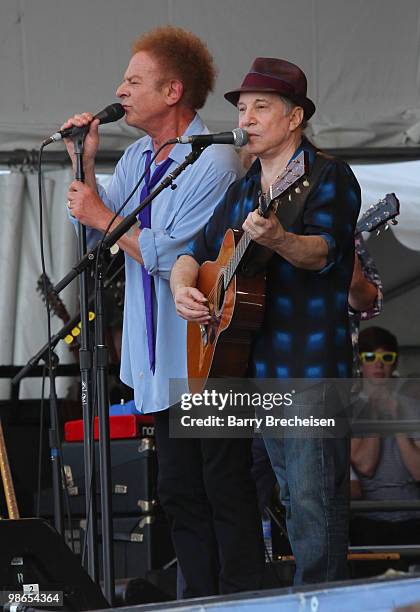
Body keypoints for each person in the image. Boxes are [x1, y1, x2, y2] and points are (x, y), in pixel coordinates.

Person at [62, 26, 264, 597]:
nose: (120, 90)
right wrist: (86, 160)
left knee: (223, 488)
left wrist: (104, 217)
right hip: (159, 362)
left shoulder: (215, 160)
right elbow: (96, 225)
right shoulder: (136, 158)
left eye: (133, 80)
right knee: (178, 491)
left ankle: (243, 601)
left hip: (205, 356)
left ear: (173, 90)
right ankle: (198, 600)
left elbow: (176, 250)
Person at [171, 57, 361, 584]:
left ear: (295, 117)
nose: (246, 118)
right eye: (242, 108)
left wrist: (277, 237)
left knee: (313, 511)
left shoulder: (328, 176)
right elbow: (194, 250)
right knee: (276, 505)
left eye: (261, 107)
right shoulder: (242, 187)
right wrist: (183, 287)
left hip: (308, 370)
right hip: (251, 371)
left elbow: (323, 252)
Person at [351, 326, 420, 547]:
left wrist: (397, 421)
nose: (379, 364)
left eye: (386, 357)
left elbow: (419, 472)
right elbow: (366, 465)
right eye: (370, 356)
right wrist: (375, 414)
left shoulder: (414, 408)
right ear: (360, 363)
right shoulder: (349, 410)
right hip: (367, 519)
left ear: (395, 363)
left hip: (414, 517)